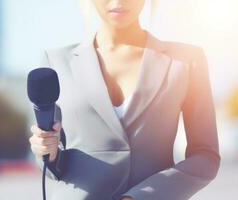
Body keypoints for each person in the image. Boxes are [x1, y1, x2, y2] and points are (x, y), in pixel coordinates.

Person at [29, 0, 221, 199]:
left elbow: (206, 156)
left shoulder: (187, 60)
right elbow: (52, 163)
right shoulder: (55, 62)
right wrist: (47, 152)